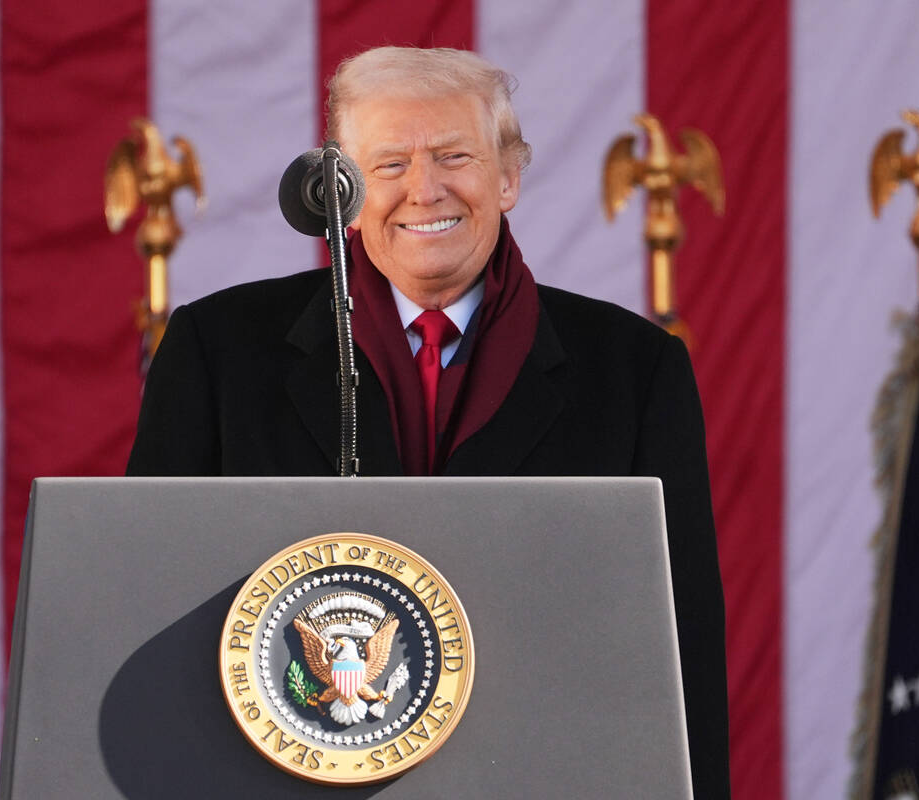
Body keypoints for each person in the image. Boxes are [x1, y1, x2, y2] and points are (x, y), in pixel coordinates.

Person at [127, 46, 729, 798]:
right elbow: (151, 610)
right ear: (339, 189)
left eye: (455, 156)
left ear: (508, 176)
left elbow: (683, 648)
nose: (425, 189)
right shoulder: (220, 353)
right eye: (388, 166)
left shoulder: (635, 371)